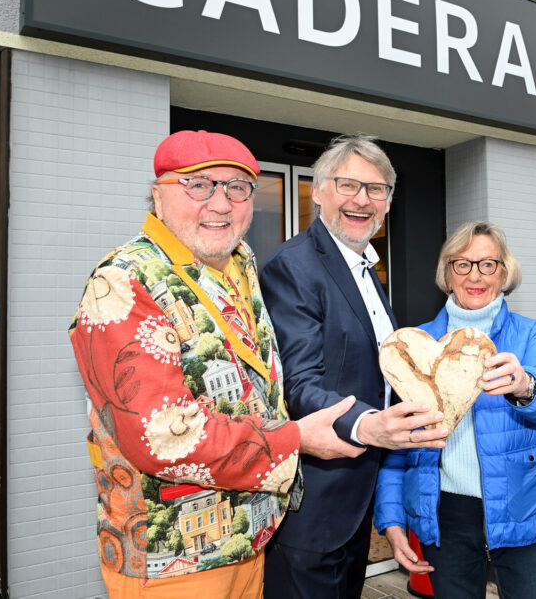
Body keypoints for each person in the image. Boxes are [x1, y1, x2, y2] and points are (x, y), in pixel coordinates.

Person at [69, 130, 363, 598]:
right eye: (199, 185)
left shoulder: (240, 261)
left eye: (237, 188)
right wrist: (297, 438)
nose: (221, 204)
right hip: (174, 557)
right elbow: (162, 435)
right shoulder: (123, 282)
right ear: (158, 196)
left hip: (249, 535)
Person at [260, 134, 448, 598]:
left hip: (355, 501)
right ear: (318, 192)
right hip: (313, 507)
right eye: (348, 185)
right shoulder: (293, 266)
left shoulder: (364, 268)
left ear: (388, 202)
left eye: (376, 189)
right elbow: (298, 384)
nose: (362, 200)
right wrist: (368, 425)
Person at [374, 221, 536, 599]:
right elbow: (396, 441)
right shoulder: (416, 346)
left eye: (487, 264)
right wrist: (392, 519)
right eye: (462, 264)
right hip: (445, 513)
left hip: (525, 505)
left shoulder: (530, 334)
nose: (475, 275)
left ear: (504, 274)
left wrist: (524, 384)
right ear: (448, 276)